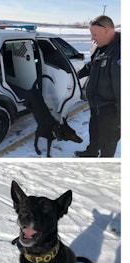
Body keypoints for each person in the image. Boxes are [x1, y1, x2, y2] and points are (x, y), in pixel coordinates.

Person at [75, 15, 120, 157]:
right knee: (94, 132)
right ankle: (91, 152)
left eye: (94, 34)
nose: (92, 38)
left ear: (106, 30)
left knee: (108, 141)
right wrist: (76, 74)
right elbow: (93, 64)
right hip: (96, 105)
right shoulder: (101, 47)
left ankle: (104, 161)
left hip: (111, 110)